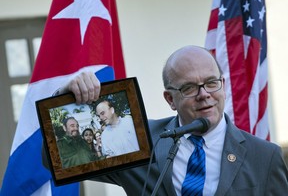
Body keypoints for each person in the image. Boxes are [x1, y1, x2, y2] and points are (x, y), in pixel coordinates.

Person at [47, 45, 288, 195]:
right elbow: (54, 161)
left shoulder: (265, 157)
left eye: (212, 83)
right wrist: (65, 96)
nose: (204, 94)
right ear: (170, 99)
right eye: (189, 88)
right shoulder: (141, 140)